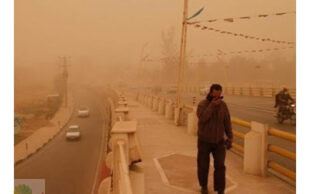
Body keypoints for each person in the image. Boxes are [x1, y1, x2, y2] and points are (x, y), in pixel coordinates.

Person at [196, 84, 233, 194]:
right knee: (203, 165)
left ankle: (220, 189)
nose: (218, 99)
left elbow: (227, 122)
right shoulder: (202, 104)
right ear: (211, 93)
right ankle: (203, 186)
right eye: (215, 96)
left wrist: (230, 137)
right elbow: (202, 118)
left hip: (219, 142)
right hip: (204, 141)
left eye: (220, 96)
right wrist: (212, 106)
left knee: (220, 166)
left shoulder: (223, 106)